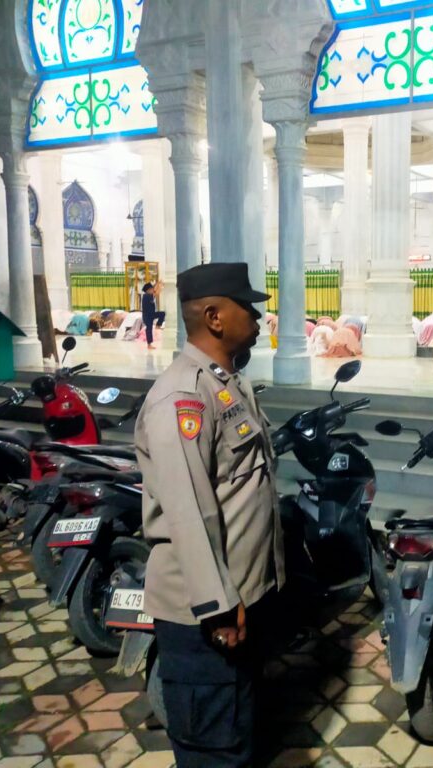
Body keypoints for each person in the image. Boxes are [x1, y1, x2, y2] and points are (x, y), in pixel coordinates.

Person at [134, 262, 284, 768]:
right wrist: (217, 605)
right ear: (215, 317)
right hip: (206, 614)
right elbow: (188, 509)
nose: (259, 319)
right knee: (214, 748)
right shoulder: (182, 396)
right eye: (249, 309)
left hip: (240, 601)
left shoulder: (226, 382)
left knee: (238, 731)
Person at [141, 281, 166, 349]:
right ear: (148, 290)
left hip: (151, 314)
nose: (153, 291)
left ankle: (158, 325)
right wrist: (160, 285)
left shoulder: (148, 295)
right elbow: (156, 292)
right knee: (149, 329)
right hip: (147, 316)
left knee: (162, 314)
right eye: (151, 289)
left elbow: (155, 291)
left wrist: (158, 284)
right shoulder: (147, 296)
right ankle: (149, 345)